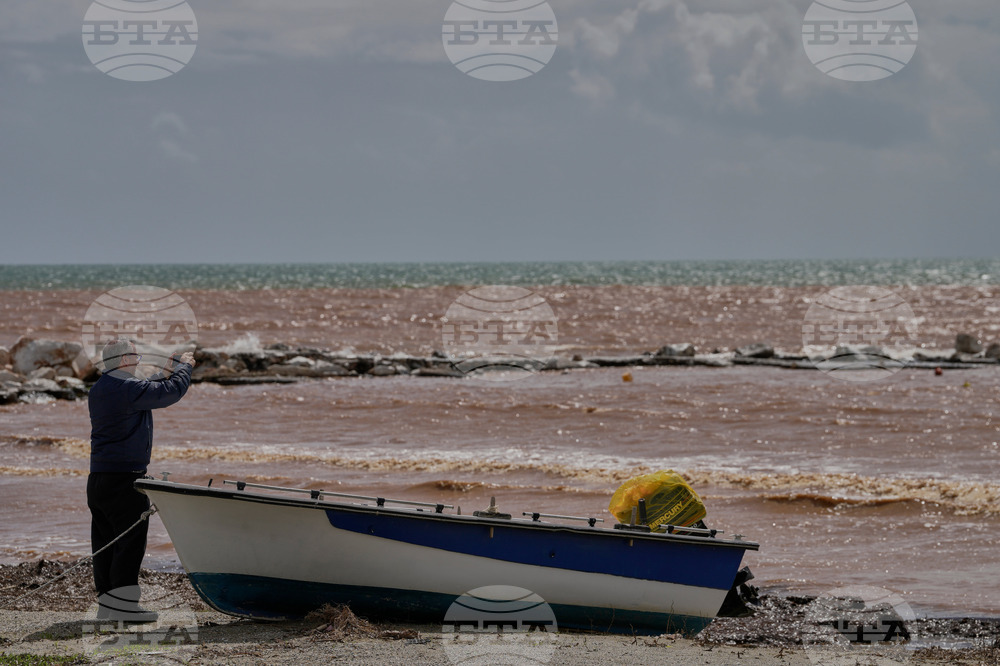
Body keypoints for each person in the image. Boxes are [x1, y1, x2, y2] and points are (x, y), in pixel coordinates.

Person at [87, 338, 196, 622]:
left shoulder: (101, 388)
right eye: (135, 355)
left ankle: (107, 609)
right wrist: (184, 368)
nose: (138, 359)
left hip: (99, 479)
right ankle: (123, 610)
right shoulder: (127, 389)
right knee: (129, 545)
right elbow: (169, 393)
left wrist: (167, 371)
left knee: (106, 544)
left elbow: (151, 389)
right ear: (124, 360)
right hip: (124, 480)